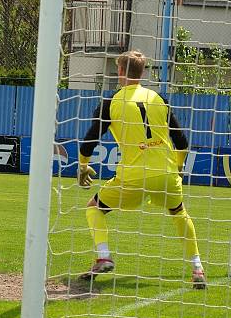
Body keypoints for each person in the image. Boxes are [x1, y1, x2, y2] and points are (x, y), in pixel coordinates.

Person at [77, 50, 205, 289]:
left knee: (94, 208)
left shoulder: (110, 102)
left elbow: (89, 140)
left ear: (120, 72)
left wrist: (83, 166)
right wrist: (177, 169)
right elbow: (182, 143)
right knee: (179, 213)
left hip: (133, 176)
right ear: (143, 72)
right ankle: (197, 268)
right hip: (165, 174)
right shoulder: (159, 99)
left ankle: (104, 255)